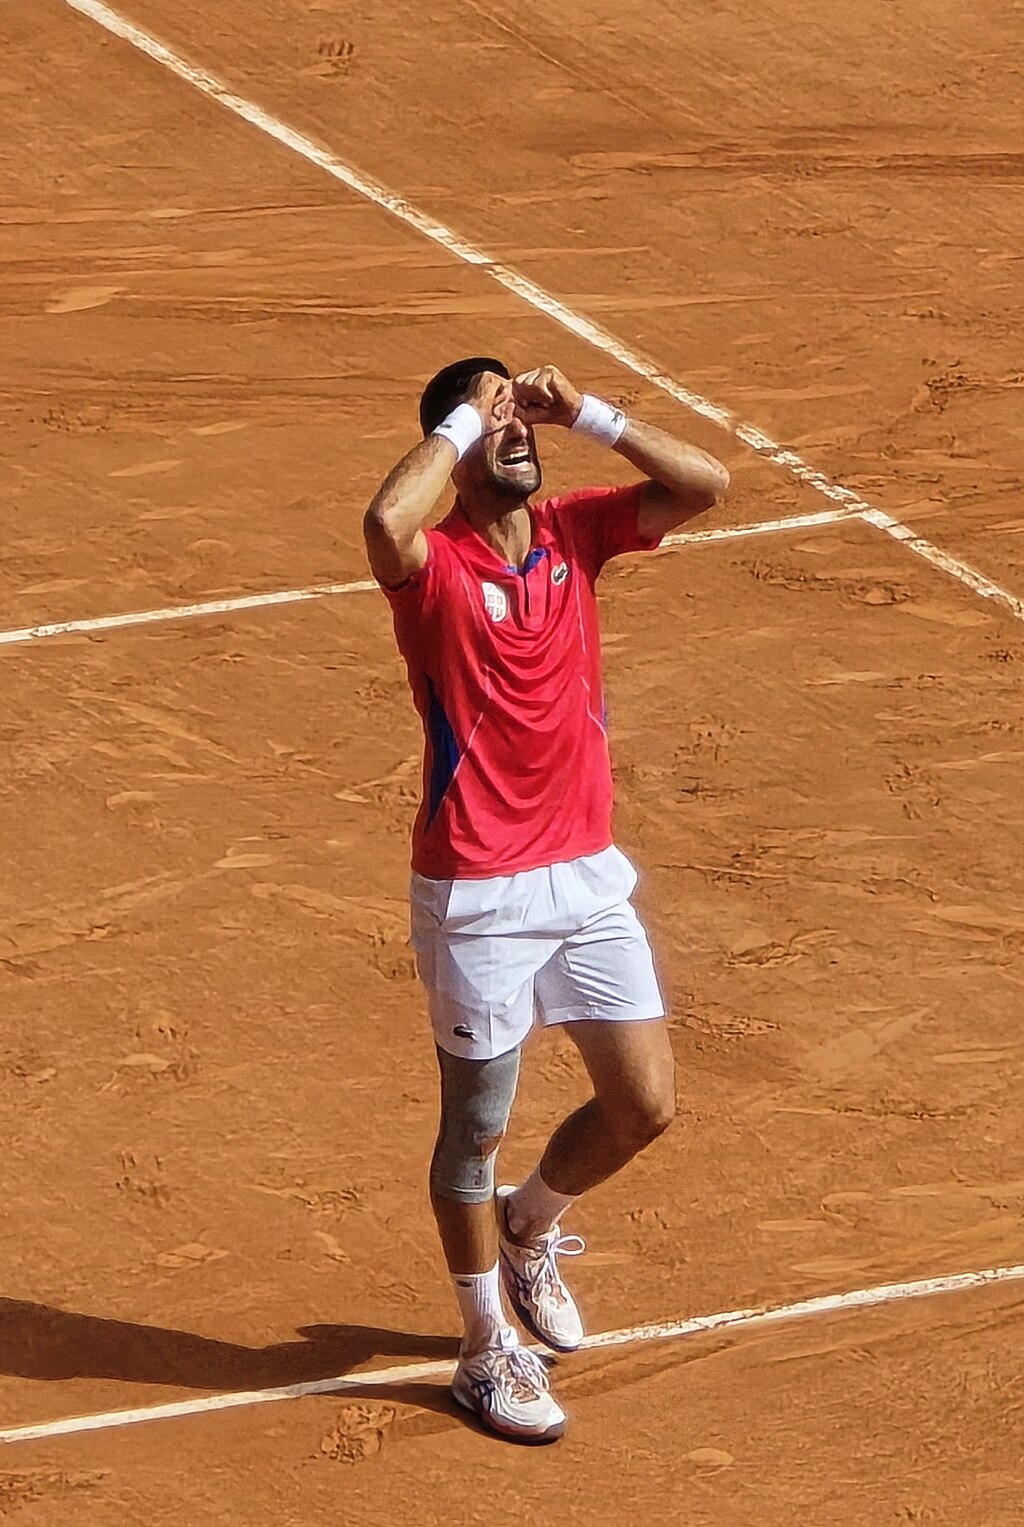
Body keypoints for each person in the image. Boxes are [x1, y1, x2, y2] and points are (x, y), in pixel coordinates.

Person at [363, 358, 729, 1443]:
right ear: (460, 445)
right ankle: (483, 1351)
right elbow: (388, 516)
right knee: (469, 1135)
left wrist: (592, 415)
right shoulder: (430, 568)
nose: (519, 424)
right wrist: (465, 419)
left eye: (523, 409)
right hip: (477, 892)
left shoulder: (575, 535)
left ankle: (528, 1228)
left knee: (642, 1108)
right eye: (497, 414)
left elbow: (704, 483)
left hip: (585, 875)